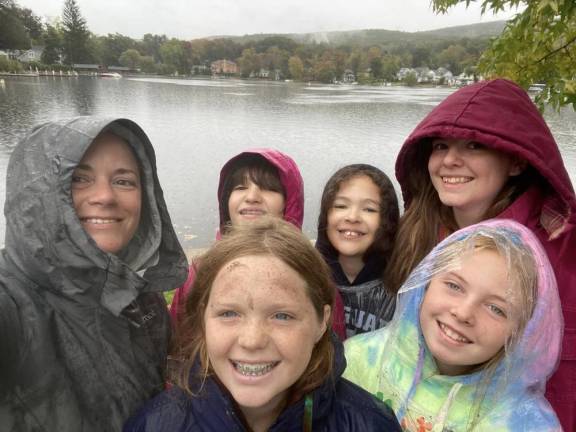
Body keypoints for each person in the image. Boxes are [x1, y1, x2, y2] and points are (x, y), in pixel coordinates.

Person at [387, 78, 576, 429]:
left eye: (474, 146)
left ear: (517, 162)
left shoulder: (563, 251)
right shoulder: (420, 230)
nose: (450, 161)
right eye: (441, 146)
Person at [124, 218, 401, 432]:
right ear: (203, 318)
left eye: (281, 316)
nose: (252, 340)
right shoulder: (154, 424)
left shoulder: (371, 424)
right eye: (229, 313)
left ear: (322, 322)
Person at [0, 117, 188, 431]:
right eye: (78, 178)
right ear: (37, 192)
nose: (105, 196)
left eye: (124, 181)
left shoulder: (145, 302)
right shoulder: (13, 305)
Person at [345, 220, 562, 431]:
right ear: (425, 284)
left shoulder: (524, 423)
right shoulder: (356, 361)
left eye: (496, 309)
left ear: (522, 332)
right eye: (454, 286)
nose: (463, 313)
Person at [170, 149, 346, 339]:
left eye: (269, 188)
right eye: (239, 188)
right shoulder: (200, 271)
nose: (252, 196)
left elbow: (330, 353)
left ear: (289, 203)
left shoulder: (311, 274)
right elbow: (178, 342)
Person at [316, 164, 399, 338]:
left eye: (369, 209)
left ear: (387, 220)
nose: (352, 217)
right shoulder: (308, 277)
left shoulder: (401, 287)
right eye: (340, 206)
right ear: (325, 216)